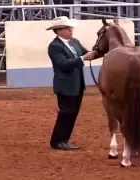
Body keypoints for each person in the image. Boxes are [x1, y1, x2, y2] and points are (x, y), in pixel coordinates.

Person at [46, 16, 96, 151]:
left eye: (70, 27)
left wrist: (101, 51)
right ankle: (57, 141)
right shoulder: (54, 46)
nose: (70, 30)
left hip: (77, 84)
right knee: (66, 113)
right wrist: (83, 58)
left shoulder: (74, 42)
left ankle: (64, 140)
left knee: (72, 113)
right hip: (65, 85)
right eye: (67, 28)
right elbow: (63, 64)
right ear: (58, 30)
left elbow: (88, 53)